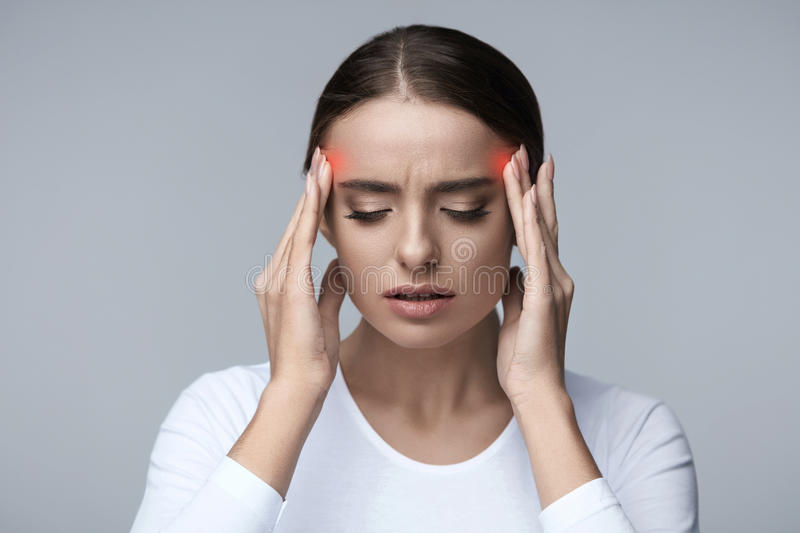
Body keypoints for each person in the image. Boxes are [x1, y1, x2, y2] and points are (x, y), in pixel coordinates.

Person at [130, 24, 699, 532]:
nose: (415, 251)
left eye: (465, 208)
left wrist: (542, 402)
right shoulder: (221, 415)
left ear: (529, 216)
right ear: (320, 216)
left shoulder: (632, 436)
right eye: (370, 211)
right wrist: (291, 398)